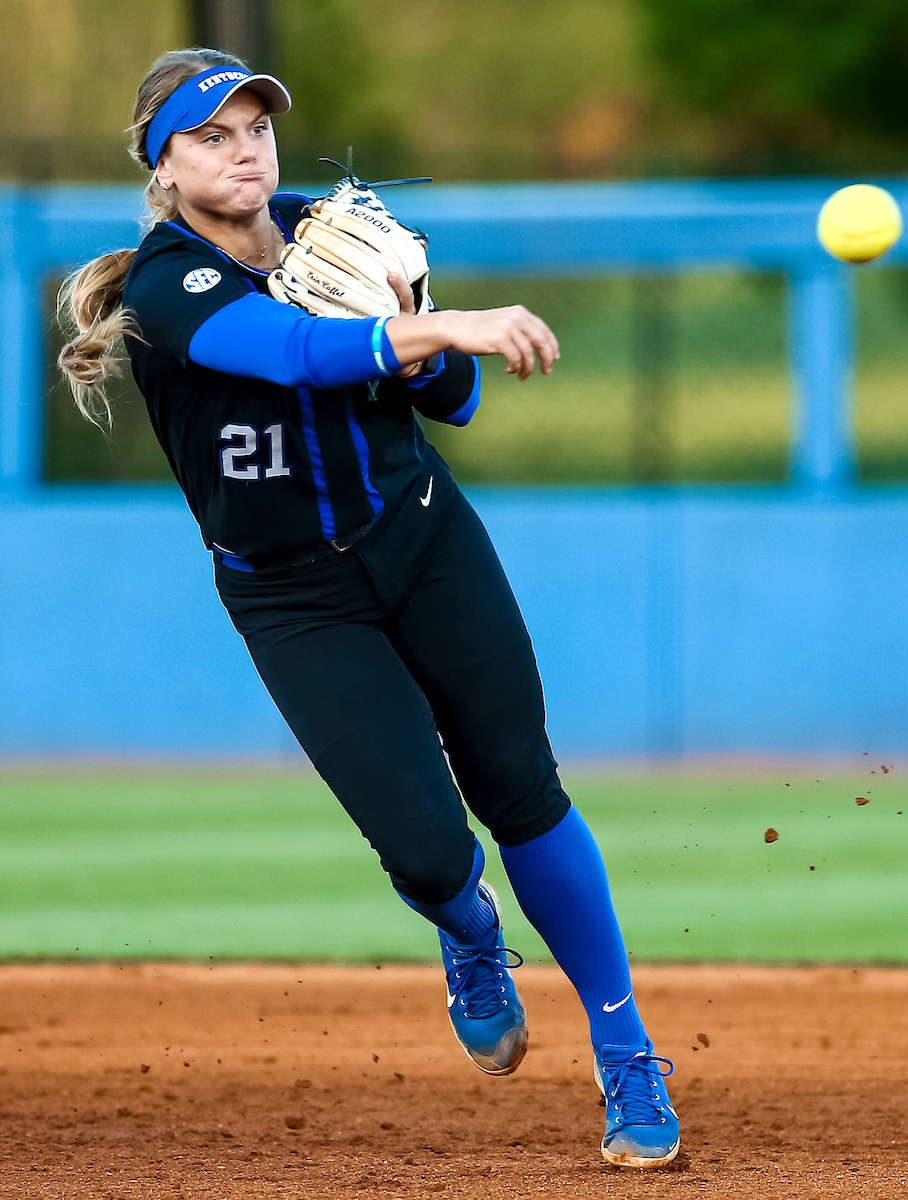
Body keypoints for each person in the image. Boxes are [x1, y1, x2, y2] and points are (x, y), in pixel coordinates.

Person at [57, 47, 680, 1169]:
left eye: (254, 128)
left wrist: (422, 316)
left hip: (425, 537)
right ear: (162, 165)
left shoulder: (338, 230)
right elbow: (293, 351)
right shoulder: (166, 286)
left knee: (522, 790)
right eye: (210, 137)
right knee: (432, 849)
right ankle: (472, 933)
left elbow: (456, 399)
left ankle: (628, 1053)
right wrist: (447, 324)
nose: (243, 151)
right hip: (294, 597)